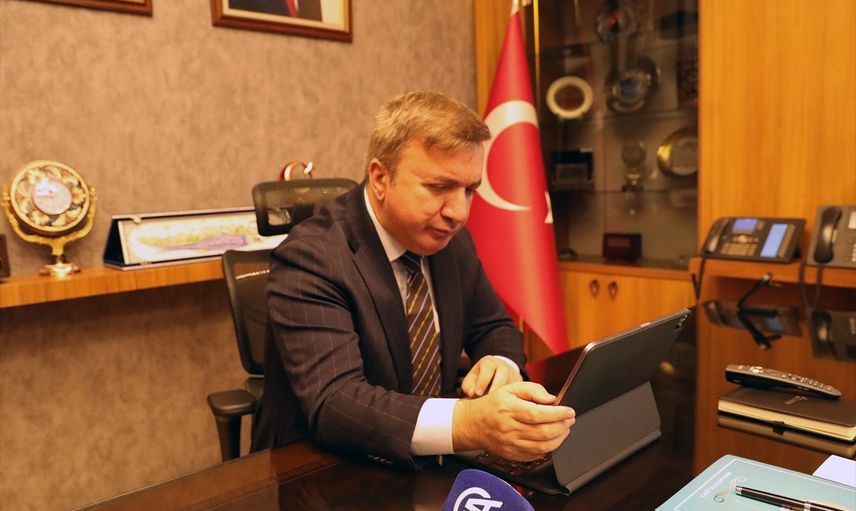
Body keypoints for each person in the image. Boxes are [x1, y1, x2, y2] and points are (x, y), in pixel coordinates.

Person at [251, 91, 575, 468]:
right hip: (319, 465)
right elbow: (337, 402)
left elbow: (494, 325)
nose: (458, 213)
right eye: (439, 187)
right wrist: (470, 423)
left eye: (469, 190)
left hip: (426, 460)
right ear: (380, 178)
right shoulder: (312, 257)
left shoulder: (449, 240)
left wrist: (500, 362)